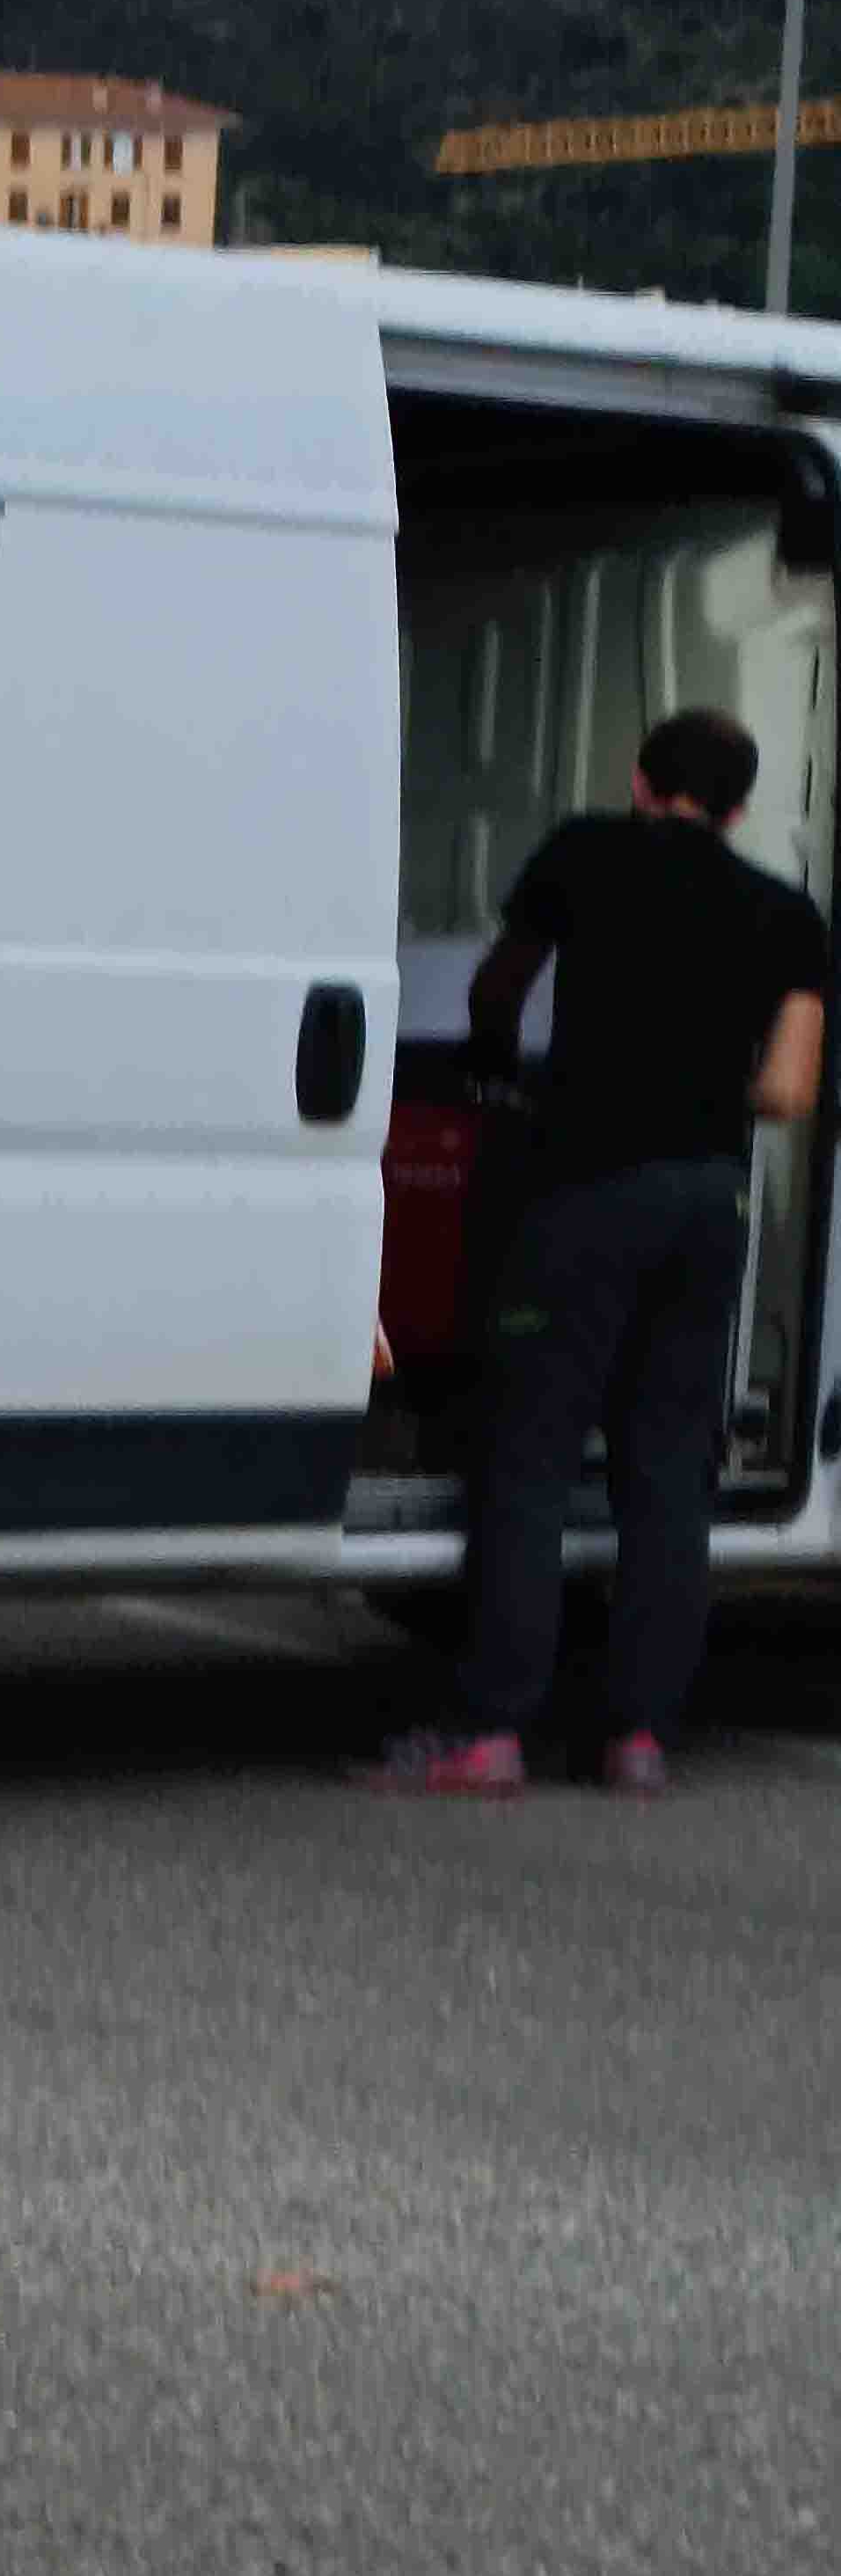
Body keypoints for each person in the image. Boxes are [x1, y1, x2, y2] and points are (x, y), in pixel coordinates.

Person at [374, 707, 830, 1797]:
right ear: (738, 806)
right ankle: (637, 1737)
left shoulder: (582, 851)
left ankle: (489, 1729)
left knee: (526, 1459)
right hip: (705, 1202)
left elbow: (497, 985)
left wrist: (501, 1071)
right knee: (668, 1473)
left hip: (583, 1191)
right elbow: (787, 1090)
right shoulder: (785, 913)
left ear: (638, 780)